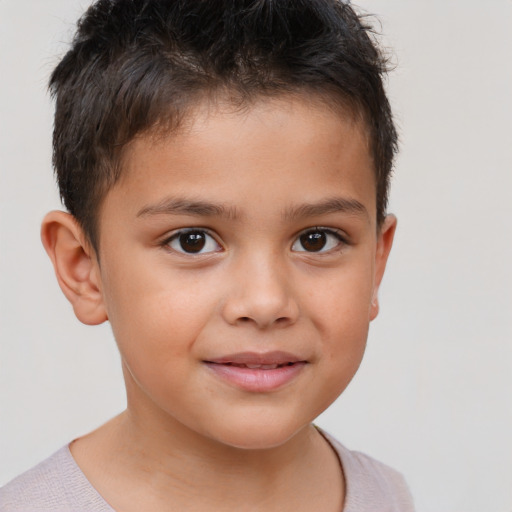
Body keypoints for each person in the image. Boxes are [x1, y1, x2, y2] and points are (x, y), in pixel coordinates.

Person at [0, 0, 415, 510]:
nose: (265, 302)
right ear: (83, 269)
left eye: (316, 239)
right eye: (192, 240)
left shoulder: (389, 496)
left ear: (376, 263)